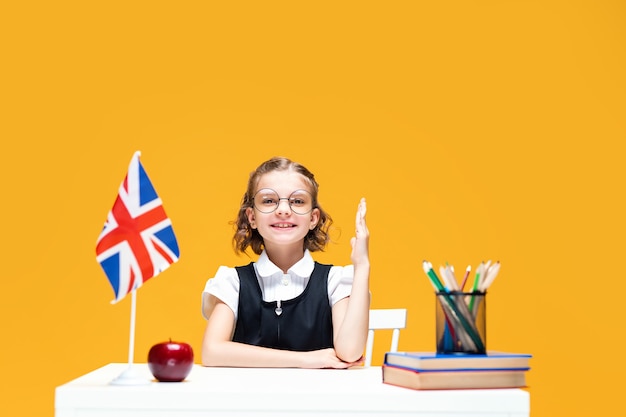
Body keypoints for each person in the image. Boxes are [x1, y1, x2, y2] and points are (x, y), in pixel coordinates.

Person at [201, 156, 370, 368]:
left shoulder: (334, 281)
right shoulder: (233, 282)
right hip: (247, 399)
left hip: (318, 399)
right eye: (269, 200)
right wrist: (305, 360)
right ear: (252, 217)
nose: (283, 210)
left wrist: (362, 266)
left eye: (297, 201)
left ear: (313, 218)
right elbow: (212, 352)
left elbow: (350, 352)